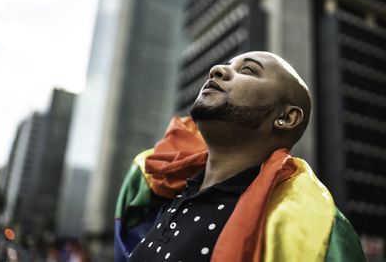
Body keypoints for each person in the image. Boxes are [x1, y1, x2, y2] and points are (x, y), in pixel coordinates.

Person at [115, 51, 365, 261]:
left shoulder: (312, 229)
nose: (217, 70)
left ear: (286, 118)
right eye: (226, 66)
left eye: (248, 70)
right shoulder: (162, 190)